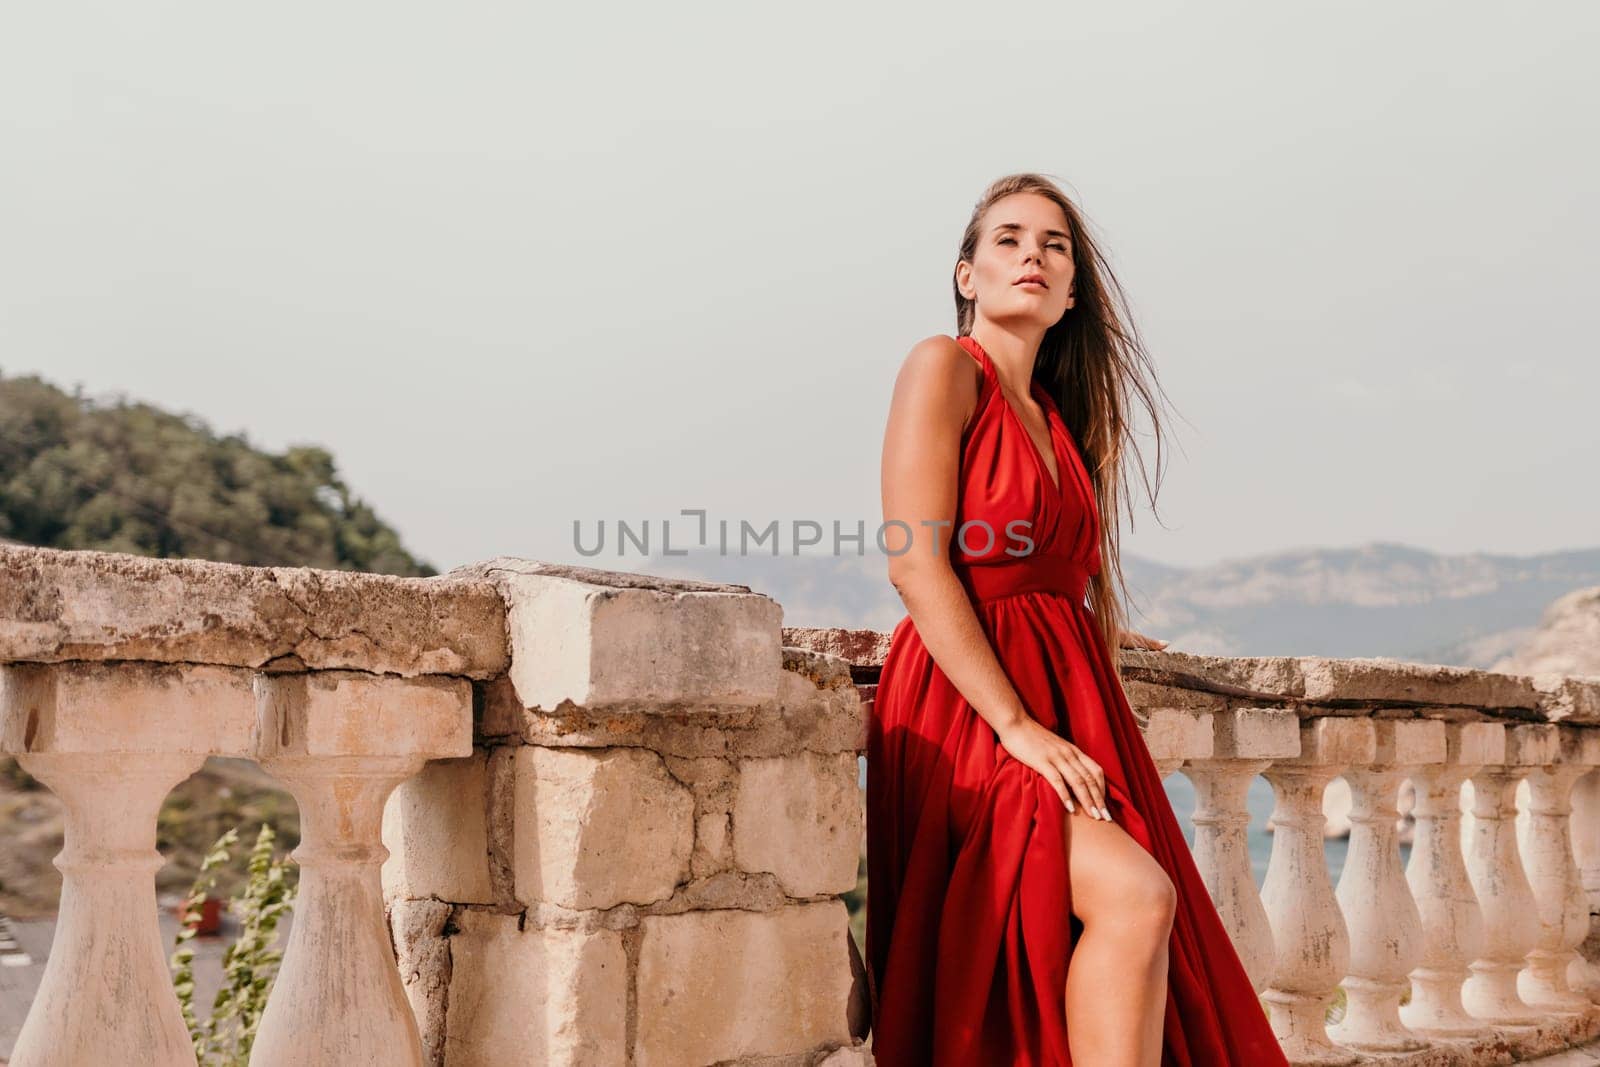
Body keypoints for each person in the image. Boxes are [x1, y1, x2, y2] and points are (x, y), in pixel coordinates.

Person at [866, 172, 1290, 1066]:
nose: (1034, 255)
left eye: (1054, 246)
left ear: (1070, 293)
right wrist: (1017, 725)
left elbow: (1043, 569)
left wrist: (1079, 625)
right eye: (1010, 239)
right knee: (1136, 894)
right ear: (966, 275)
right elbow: (913, 559)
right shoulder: (942, 366)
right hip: (973, 710)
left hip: (1066, 688)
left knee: (1138, 918)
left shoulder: (1060, 418)